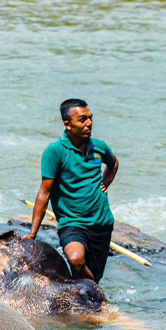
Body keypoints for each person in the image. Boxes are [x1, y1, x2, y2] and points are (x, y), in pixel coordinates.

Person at [24, 98, 120, 282]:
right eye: (82, 120)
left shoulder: (99, 147)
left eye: (90, 118)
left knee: (91, 277)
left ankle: (90, 297)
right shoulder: (55, 151)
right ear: (67, 124)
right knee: (76, 260)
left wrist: (105, 184)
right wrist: (32, 234)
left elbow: (113, 163)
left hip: (102, 224)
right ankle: (99, 298)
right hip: (73, 223)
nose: (89, 123)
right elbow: (44, 193)